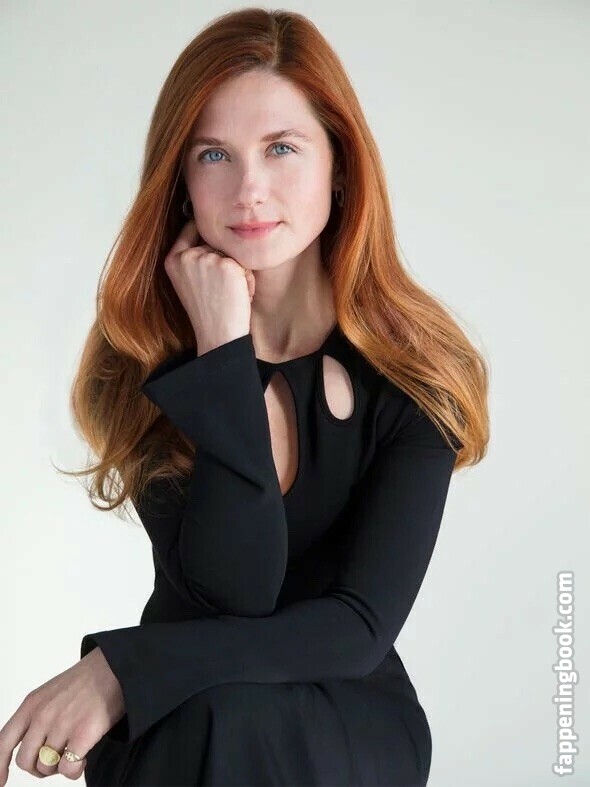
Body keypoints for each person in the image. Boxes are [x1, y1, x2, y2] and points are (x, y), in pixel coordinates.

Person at [0, 7, 489, 787]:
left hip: (344, 715)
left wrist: (123, 670)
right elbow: (234, 591)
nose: (249, 189)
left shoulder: (414, 370)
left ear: (339, 165)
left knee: (225, 719)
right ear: (181, 183)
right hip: (189, 717)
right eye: (215, 154)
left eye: (281, 148)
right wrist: (222, 353)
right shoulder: (143, 357)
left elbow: (357, 625)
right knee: (215, 719)